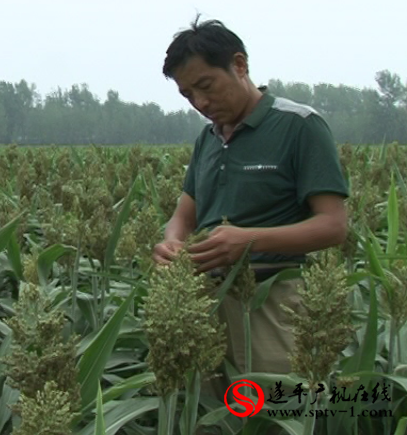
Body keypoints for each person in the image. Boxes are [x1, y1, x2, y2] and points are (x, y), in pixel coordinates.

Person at [153, 17, 349, 430]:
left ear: (239, 65)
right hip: (204, 303)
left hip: (272, 302)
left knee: (277, 419)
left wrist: (250, 241)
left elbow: (333, 225)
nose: (201, 103)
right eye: (188, 94)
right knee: (211, 418)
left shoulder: (299, 125)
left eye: (206, 86)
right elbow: (183, 217)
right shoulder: (207, 139)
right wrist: (171, 243)